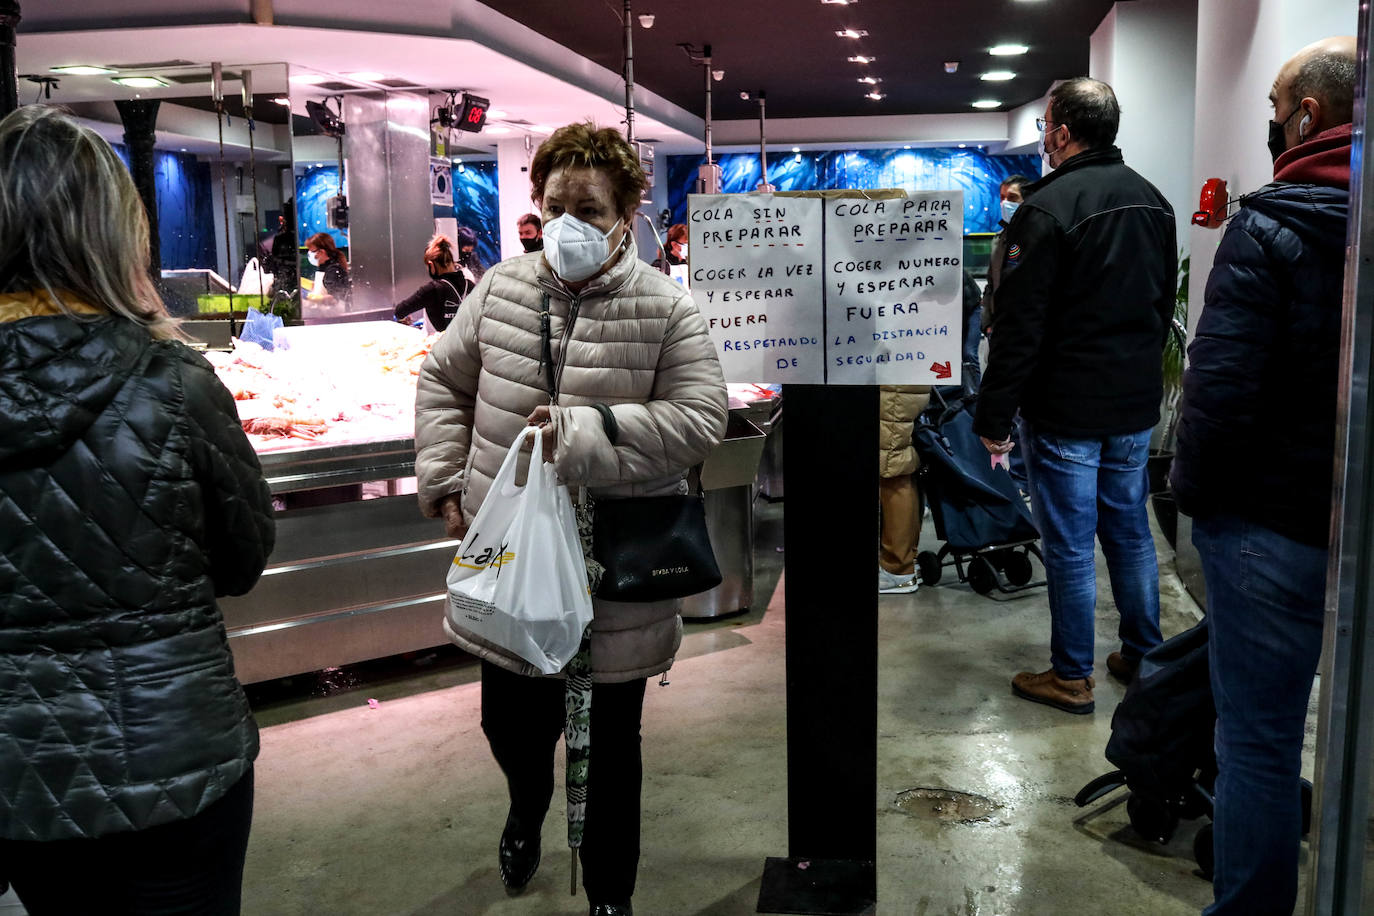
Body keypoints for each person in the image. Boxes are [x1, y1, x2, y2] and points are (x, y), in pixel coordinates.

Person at [414, 122, 727, 916]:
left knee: (614, 745)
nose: (569, 224)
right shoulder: (498, 291)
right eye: (556, 205)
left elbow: (700, 419)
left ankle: (612, 894)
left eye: (589, 209)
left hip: (614, 567)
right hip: (508, 561)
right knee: (512, 726)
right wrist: (446, 477)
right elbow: (442, 382)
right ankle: (527, 804)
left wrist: (589, 433)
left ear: (627, 212)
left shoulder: (667, 308)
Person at [0, 107, 275, 915]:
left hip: (19, 774)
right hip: (176, 754)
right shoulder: (174, 382)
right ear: (117, 232)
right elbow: (243, 558)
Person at [1171, 36, 1355, 916]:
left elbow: (1220, 390)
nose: (1272, 121)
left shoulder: (1272, 221)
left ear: (1308, 116)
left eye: (1276, 107)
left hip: (1269, 530)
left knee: (1258, 742)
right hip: (1350, 524)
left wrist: (1194, 507)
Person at [974, 77, 1174, 714]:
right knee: (1131, 533)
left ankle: (1070, 675)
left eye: (1044, 128)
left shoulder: (1047, 208)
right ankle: (1144, 656)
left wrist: (994, 414)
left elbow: (1019, 326)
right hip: (1133, 405)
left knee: (1068, 542)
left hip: (1067, 409)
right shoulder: (1154, 201)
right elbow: (1158, 304)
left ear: (1060, 134)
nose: (1042, 140)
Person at [879, 386, 932, 594]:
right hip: (902, 383)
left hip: (894, 385)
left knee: (893, 469)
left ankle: (897, 568)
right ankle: (907, 560)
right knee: (900, 468)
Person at [981, 174, 1031, 333]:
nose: (1005, 203)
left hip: (1026, 327)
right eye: (1002, 198)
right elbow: (991, 284)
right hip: (998, 327)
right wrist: (987, 323)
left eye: (1012, 198)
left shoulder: (1037, 237)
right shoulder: (998, 239)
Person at [392, 234, 475, 331]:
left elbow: (399, 311)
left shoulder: (432, 289)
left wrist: (404, 319)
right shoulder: (470, 285)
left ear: (431, 266)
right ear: (452, 262)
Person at [305, 231, 351, 306]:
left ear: (322, 252)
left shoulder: (333, 271)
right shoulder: (325, 269)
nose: (309, 254)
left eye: (311, 251)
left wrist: (310, 297)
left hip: (333, 316)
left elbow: (335, 299)